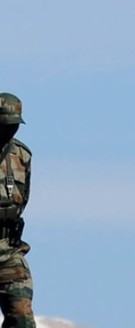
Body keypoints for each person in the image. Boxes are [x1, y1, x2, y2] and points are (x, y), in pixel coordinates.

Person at [0, 93, 33, 328]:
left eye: (14, 125)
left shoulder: (21, 156)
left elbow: (23, 199)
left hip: (8, 250)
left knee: (21, 317)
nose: (10, 131)